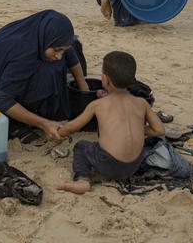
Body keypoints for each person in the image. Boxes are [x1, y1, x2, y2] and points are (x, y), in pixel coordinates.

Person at [0, 10, 89, 143]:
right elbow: (4, 101)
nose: (59, 55)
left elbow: (69, 52)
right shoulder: (24, 53)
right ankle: (18, 124)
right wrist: (44, 124)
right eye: (57, 50)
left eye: (63, 50)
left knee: (67, 52)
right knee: (48, 75)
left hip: (3, 84)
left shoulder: (39, 31)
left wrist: (84, 91)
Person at [57, 51, 164, 194]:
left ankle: (82, 180)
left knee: (81, 147)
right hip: (134, 165)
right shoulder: (142, 102)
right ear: (133, 80)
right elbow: (159, 131)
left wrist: (59, 132)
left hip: (109, 164)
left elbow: (72, 127)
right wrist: (139, 128)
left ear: (105, 79)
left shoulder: (98, 104)